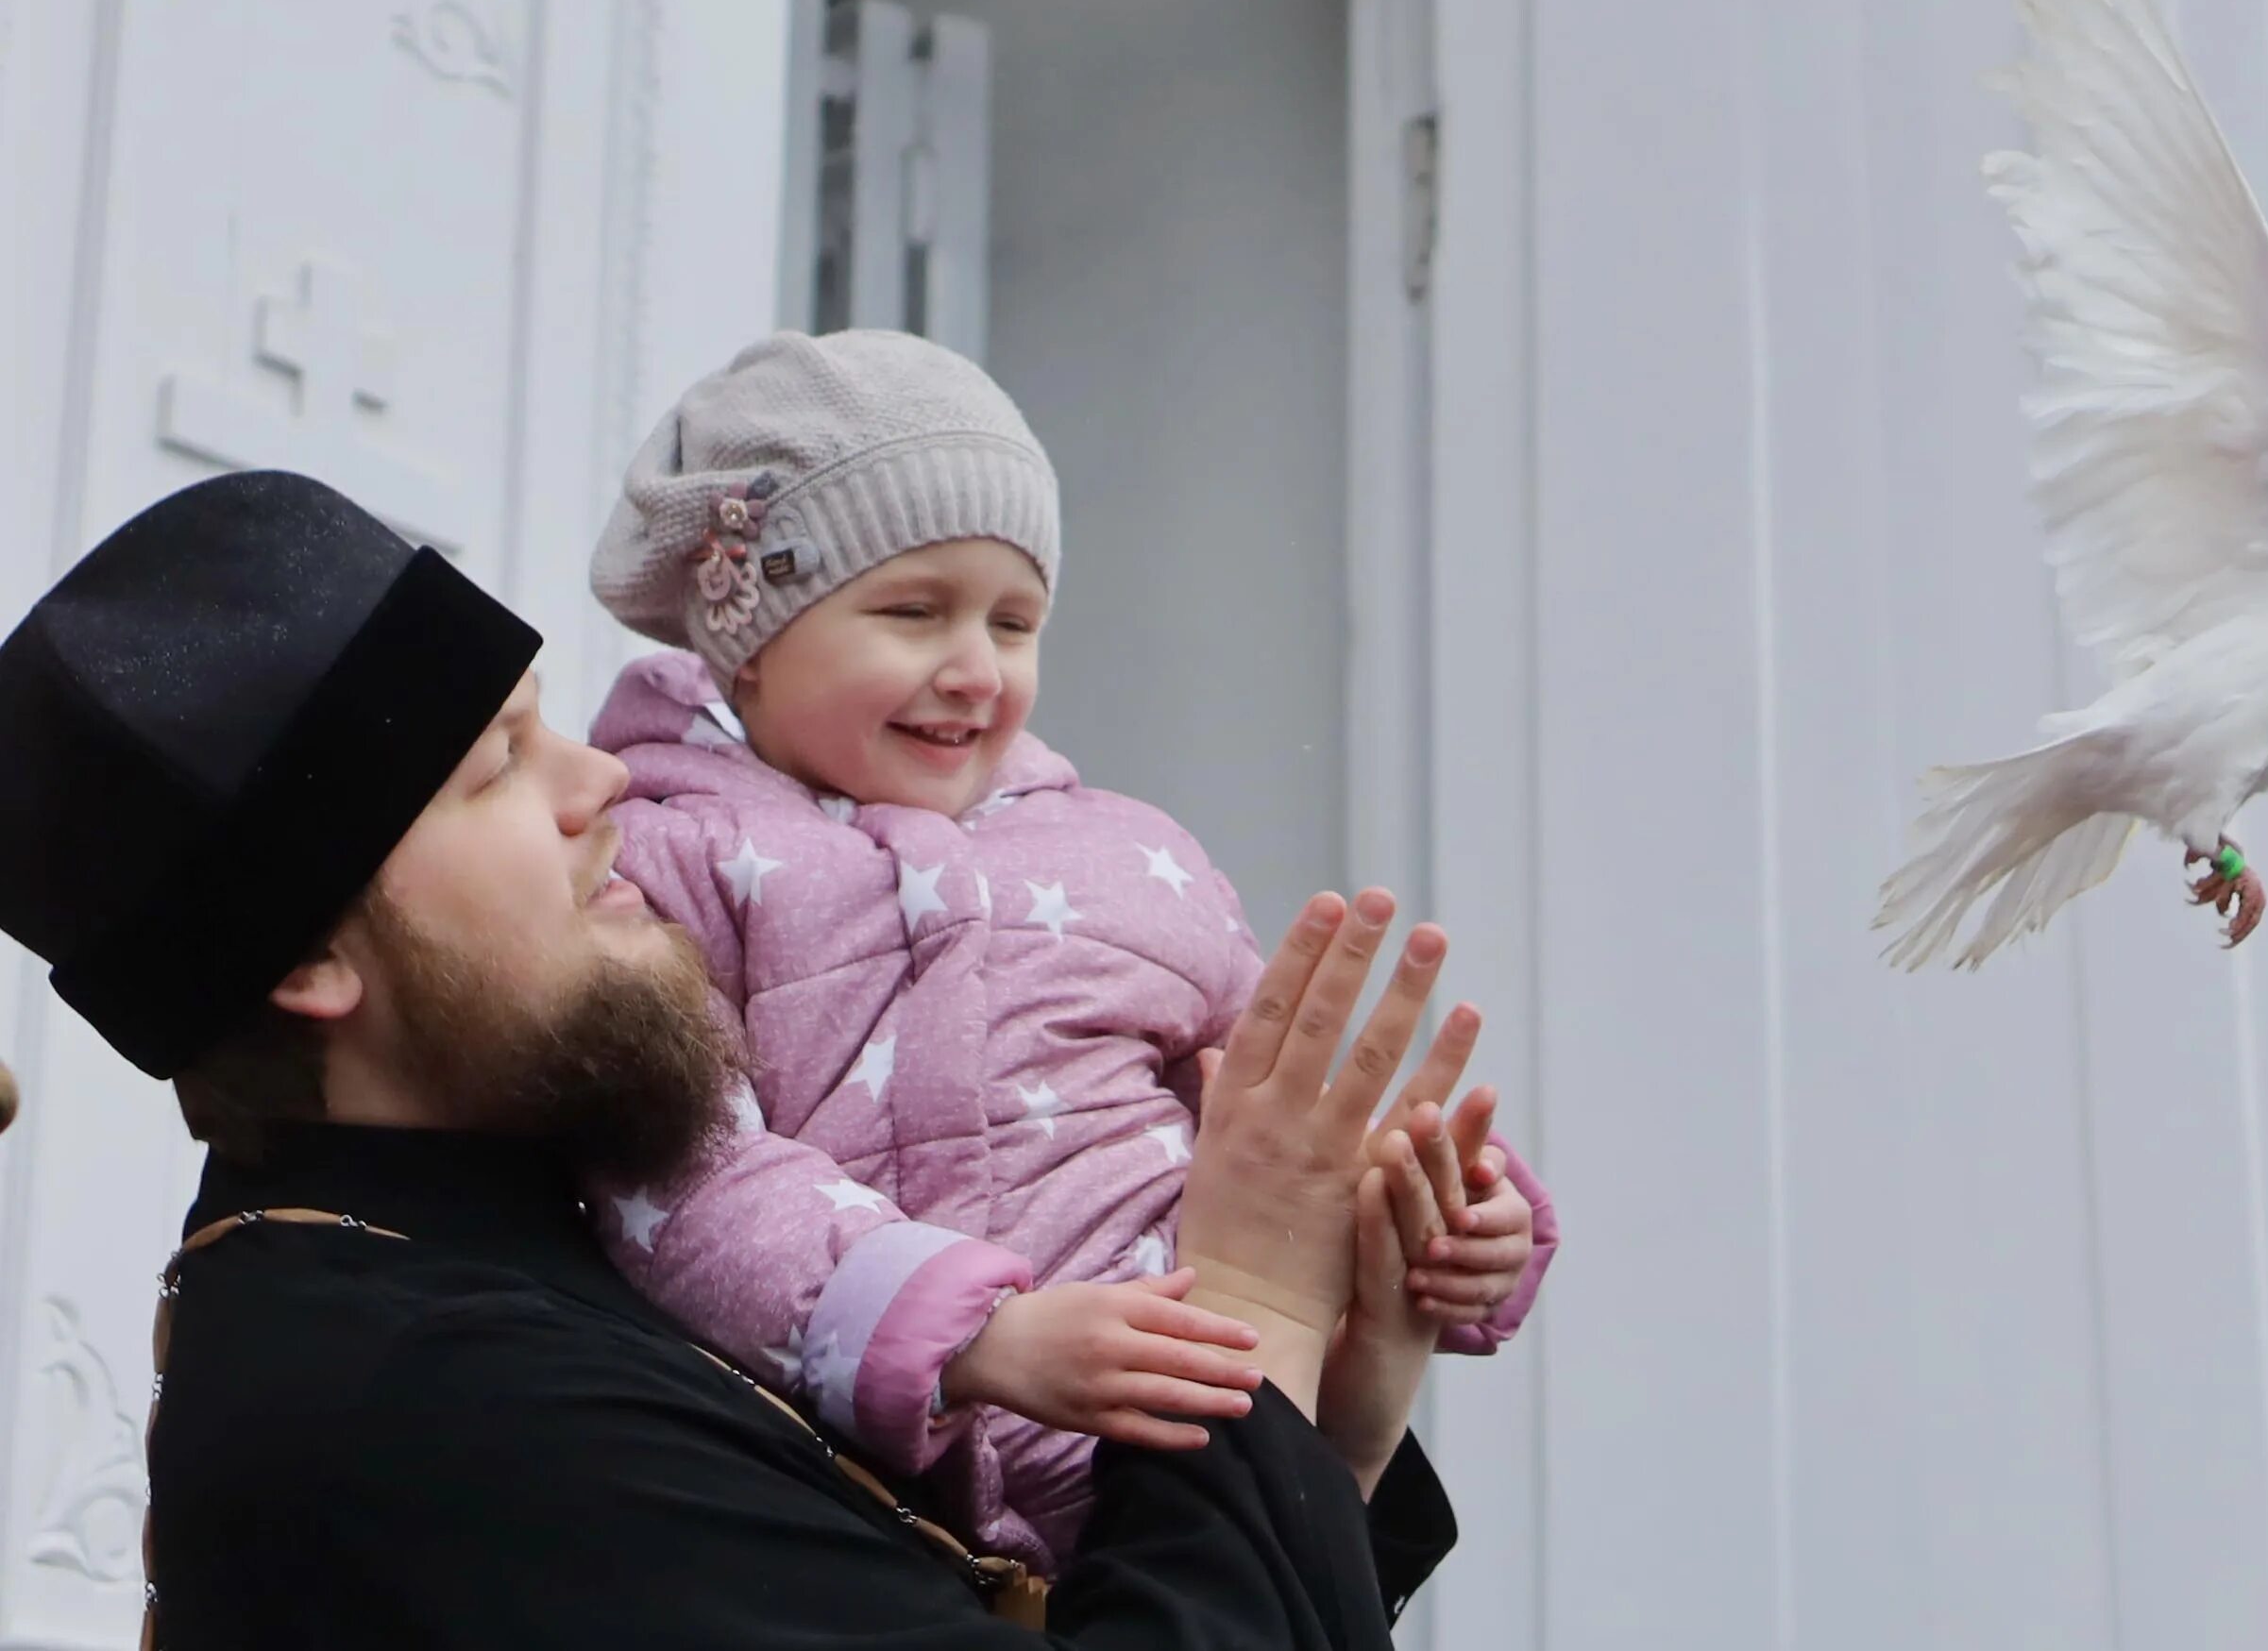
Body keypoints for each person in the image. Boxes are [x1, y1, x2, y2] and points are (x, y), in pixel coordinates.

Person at [0, 470, 1478, 1647]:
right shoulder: (420, 1401)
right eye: (495, 770)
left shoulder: (588, 1244)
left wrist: (1331, 1432)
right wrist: (1252, 1308)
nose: (608, 781)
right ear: (305, 965)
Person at [581, 328, 1562, 1565]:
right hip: (865, 1539)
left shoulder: (1121, 856)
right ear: (744, 635)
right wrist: (976, 1342)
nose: (974, 669)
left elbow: (1269, 1114)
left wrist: (1440, 1218)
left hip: (1198, 1481)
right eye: (911, 610)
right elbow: (684, 1181)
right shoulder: (668, 862)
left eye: (1014, 621)